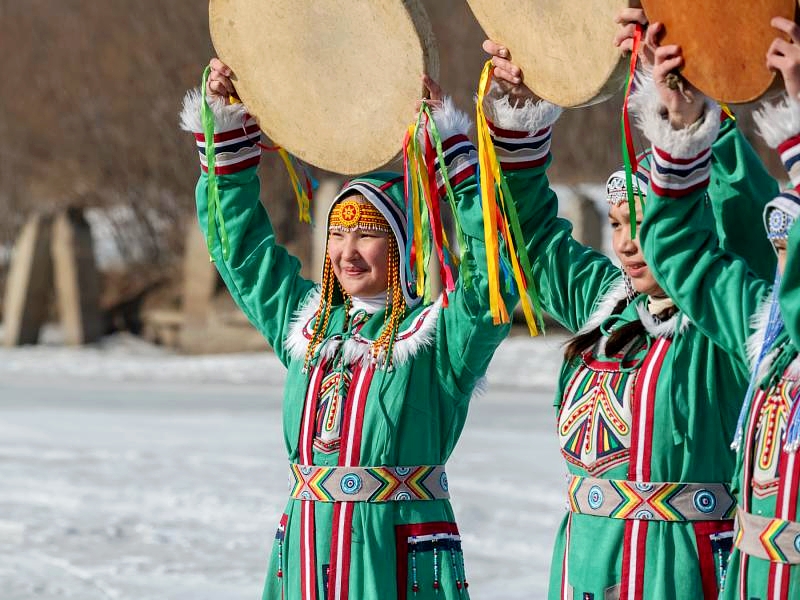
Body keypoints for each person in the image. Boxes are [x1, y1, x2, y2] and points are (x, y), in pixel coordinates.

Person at [179, 59, 525, 600]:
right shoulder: (308, 328)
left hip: (396, 558)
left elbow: (492, 279)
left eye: (366, 234)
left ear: (404, 244)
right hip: (308, 554)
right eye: (338, 234)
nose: (346, 251)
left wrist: (452, 155)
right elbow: (239, 253)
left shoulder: (436, 339)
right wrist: (225, 124)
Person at [478, 8, 777, 598]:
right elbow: (531, 240)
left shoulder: (723, 321)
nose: (627, 243)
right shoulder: (604, 302)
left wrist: (688, 116)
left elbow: (745, 221)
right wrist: (521, 107)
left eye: (643, 222)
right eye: (617, 223)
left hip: (685, 572)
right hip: (586, 568)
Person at [638, 16, 800, 600]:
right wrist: (687, 120)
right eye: (782, 240)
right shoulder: (767, 338)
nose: (785, 256)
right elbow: (680, 250)